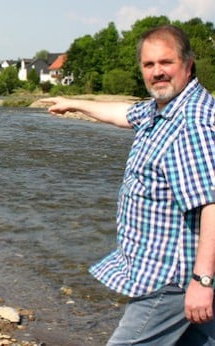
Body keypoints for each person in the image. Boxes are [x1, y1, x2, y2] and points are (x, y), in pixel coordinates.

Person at [41, 24, 215, 345]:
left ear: (188, 64)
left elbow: (212, 206)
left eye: (166, 62)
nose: (157, 72)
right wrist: (76, 103)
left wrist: (202, 282)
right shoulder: (159, 109)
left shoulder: (191, 124)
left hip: (171, 279)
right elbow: (123, 114)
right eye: (149, 65)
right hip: (169, 275)